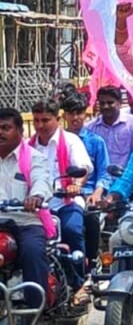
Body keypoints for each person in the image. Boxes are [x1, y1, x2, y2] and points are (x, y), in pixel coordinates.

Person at [29, 99, 92, 290]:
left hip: (66, 203)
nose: (40, 125)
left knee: (71, 230)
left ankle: (80, 283)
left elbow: (83, 168)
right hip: (38, 208)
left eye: (45, 120)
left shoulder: (71, 141)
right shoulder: (28, 146)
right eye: (36, 120)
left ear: (57, 119)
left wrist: (75, 185)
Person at [0, 108, 52, 310]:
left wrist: (36, 197)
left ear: (20, 131)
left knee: (32, 251)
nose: (0, 133)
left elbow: (41, 180)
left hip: (26, 221)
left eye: (6, 128)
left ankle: (36, 309)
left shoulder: (34, 157)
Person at [62, 94, 110, 265]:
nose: (75, 117)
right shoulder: (58, 141)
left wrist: (97, 193)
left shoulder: (96, 142)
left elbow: (104, 173)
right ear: (64, 115)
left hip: (88, 194)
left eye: (79, 113)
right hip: (60, 194)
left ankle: (91, 260)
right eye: (71, 113)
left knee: (91, 217)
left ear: (86, 114)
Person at [86, 85, 133, 169]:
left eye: (110, 103)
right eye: (102, 103)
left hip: (127, 174)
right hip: (100, 175)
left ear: (119, 103)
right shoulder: (91, 127)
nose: (105, 106)